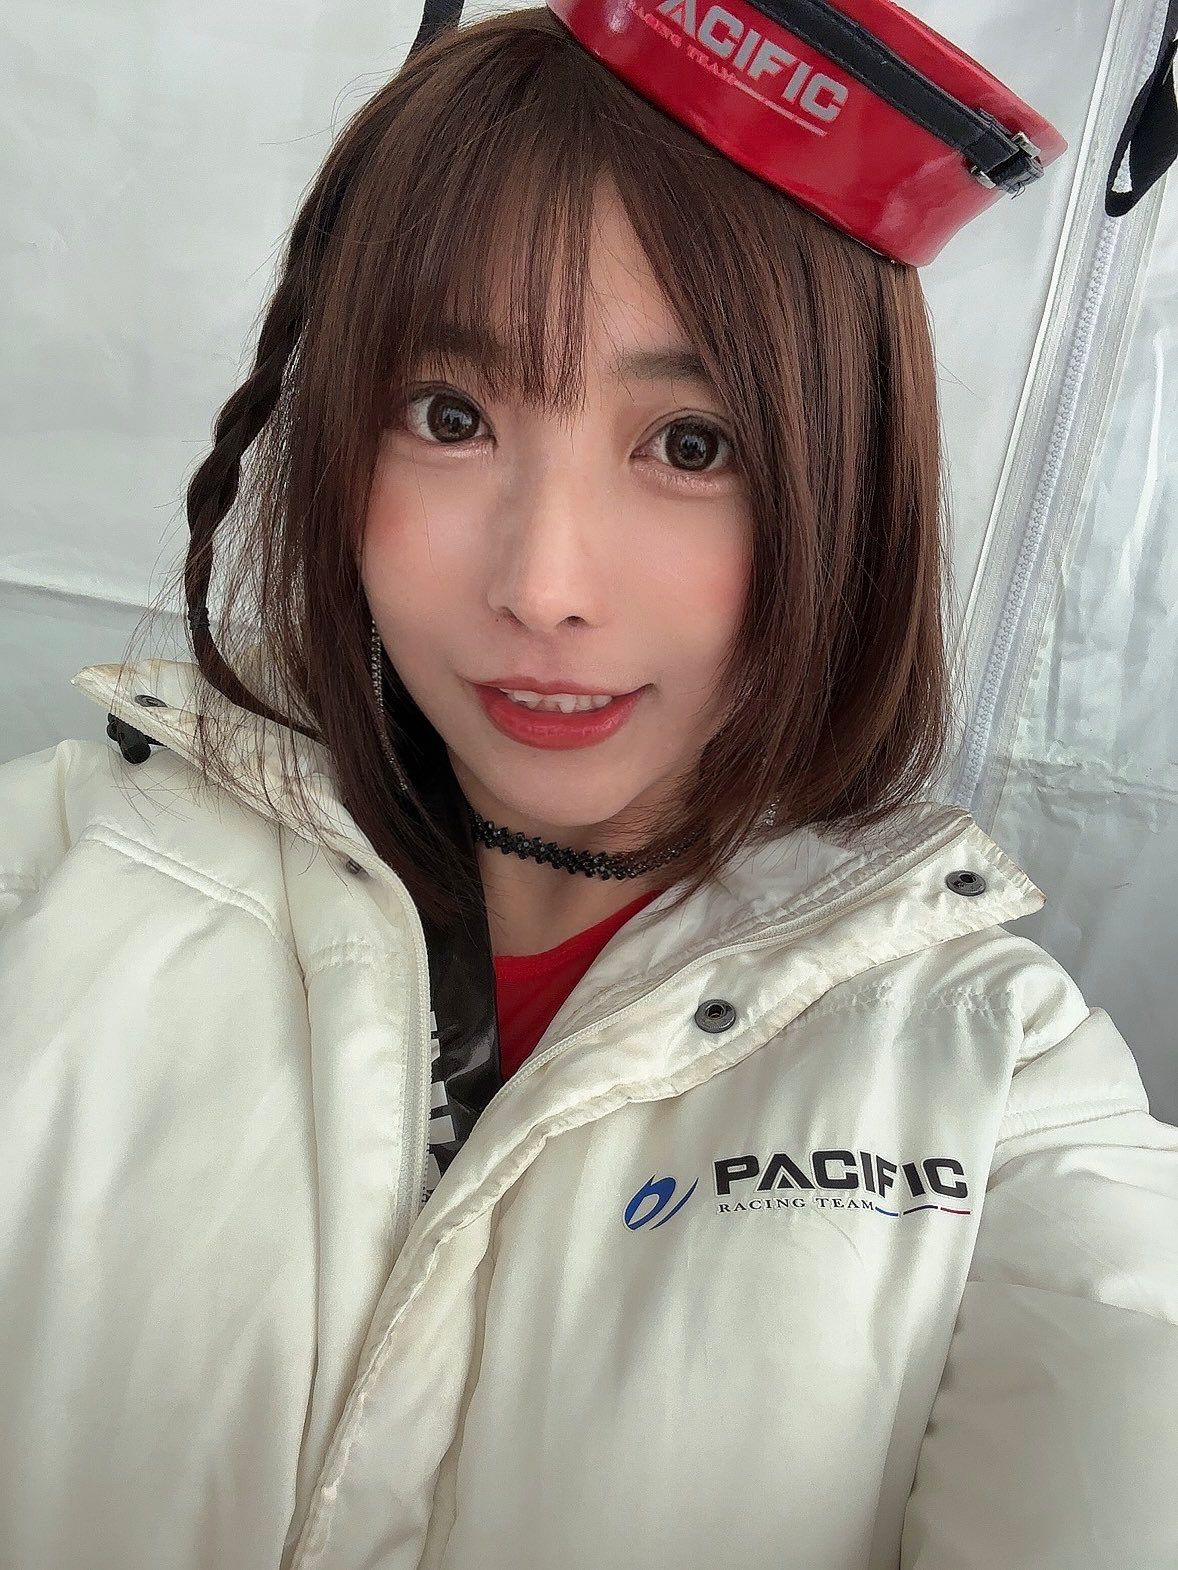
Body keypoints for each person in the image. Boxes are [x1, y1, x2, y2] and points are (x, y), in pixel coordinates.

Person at [2, 7, 1176, 1569]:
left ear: (845, 492)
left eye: (689, 444)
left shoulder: (998, 1079)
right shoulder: (48, 873)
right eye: (450, 417)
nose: (544, 585)